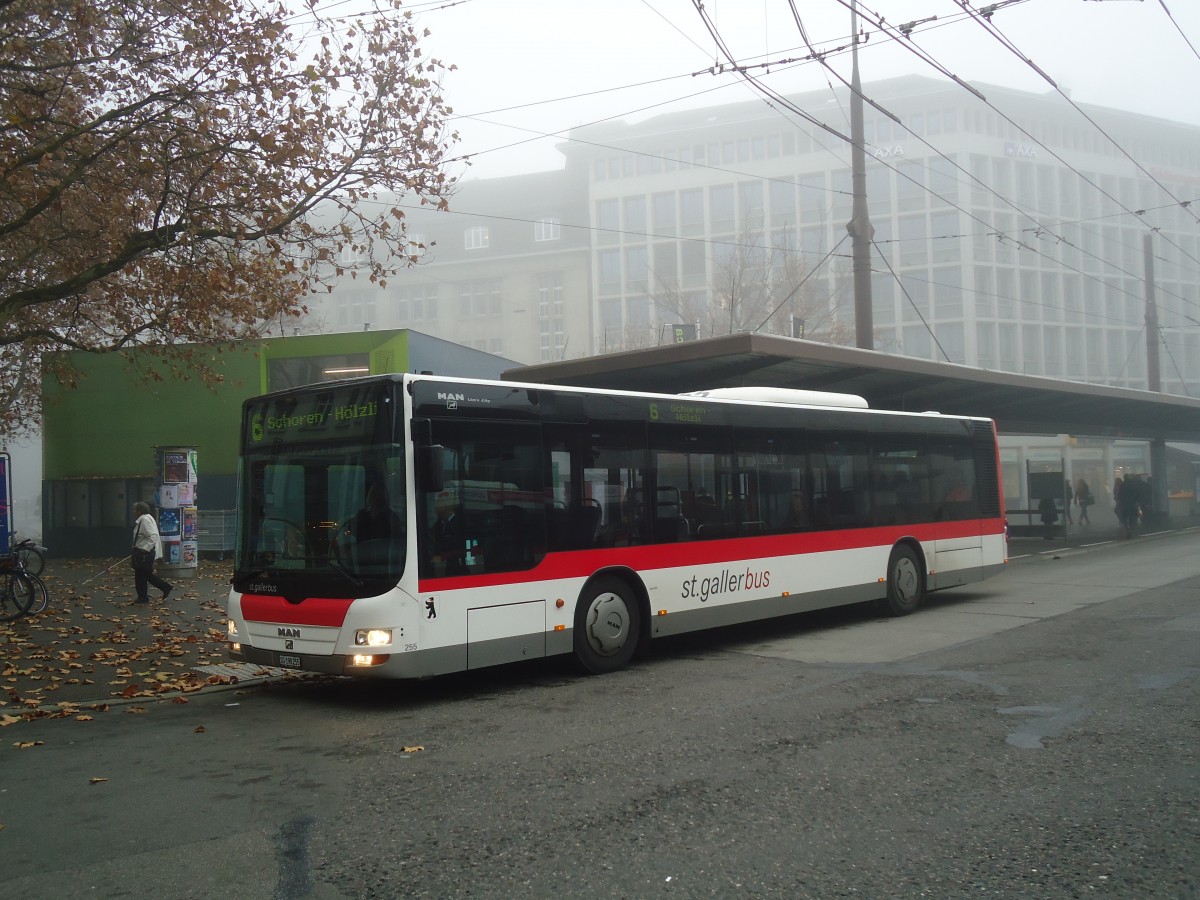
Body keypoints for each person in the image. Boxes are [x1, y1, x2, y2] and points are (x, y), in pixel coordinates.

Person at [130, 501, 173, 604]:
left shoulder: (144, 520)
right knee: (145, 574)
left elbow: (153, 536)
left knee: (141, 574)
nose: (133, 512)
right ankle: (162, 588)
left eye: (135, 510)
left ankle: (144, 596)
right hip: (144, 552)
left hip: (144, 553)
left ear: (139, 511)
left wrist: (145, 548)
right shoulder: (146, 519)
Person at [430, 491, 468, 575]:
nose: (435, 507)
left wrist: (444, 556)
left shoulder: (461, 524)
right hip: (440, 568)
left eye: (439, 504)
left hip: (458, 568)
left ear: (447, 506)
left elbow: (463, 548)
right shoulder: (437, 525)